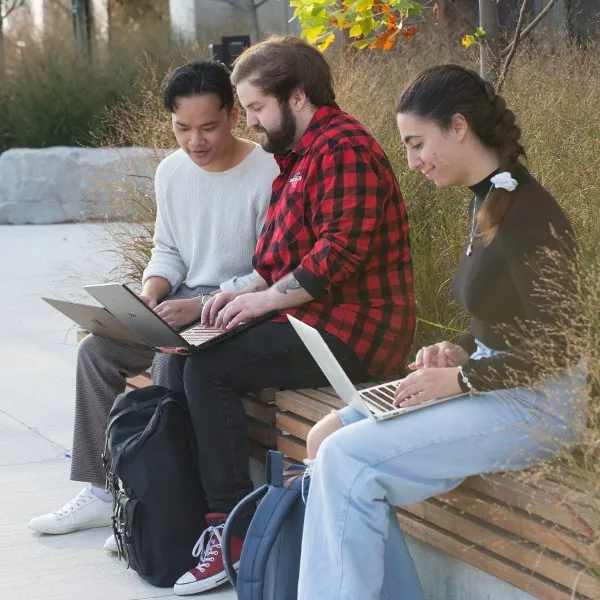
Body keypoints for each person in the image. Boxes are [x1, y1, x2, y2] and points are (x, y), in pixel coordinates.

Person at [297, 64, 589, 600]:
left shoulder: (530, 215)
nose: (412, 162)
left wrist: (462, 379)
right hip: (496, 379)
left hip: (540, 405)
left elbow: (564, 343)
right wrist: (456, 349)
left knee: (346, 462)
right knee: (325, 438)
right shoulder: (489, 196)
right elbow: (506, 312)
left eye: (416, 143)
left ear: (458, 126)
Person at [166, 35, 415, 596]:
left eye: (255, 108)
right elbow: (275, 259)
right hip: (313, 320)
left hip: (354, 332)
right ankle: (192, 517)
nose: (249, 121)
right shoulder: (298, 157)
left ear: (296, 96)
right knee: (187, 351)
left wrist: (262, 301)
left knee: (209, 370)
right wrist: (236, 295)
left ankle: (233, 530)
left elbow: (340, 250)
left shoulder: (343, 148)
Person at [28, 60, 279, 552]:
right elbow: (168, 250)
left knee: (171, 360)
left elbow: (269, 271)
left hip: (237, 310)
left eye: (208, 127)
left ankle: (162, 504)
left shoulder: (266, 172)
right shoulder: (171, 172)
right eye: (182, 128)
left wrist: (202, 303)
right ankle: (104, 490)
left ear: (232, 114)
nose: (195, 141)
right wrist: (150, 293)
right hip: (182, 303)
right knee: (97, 351)